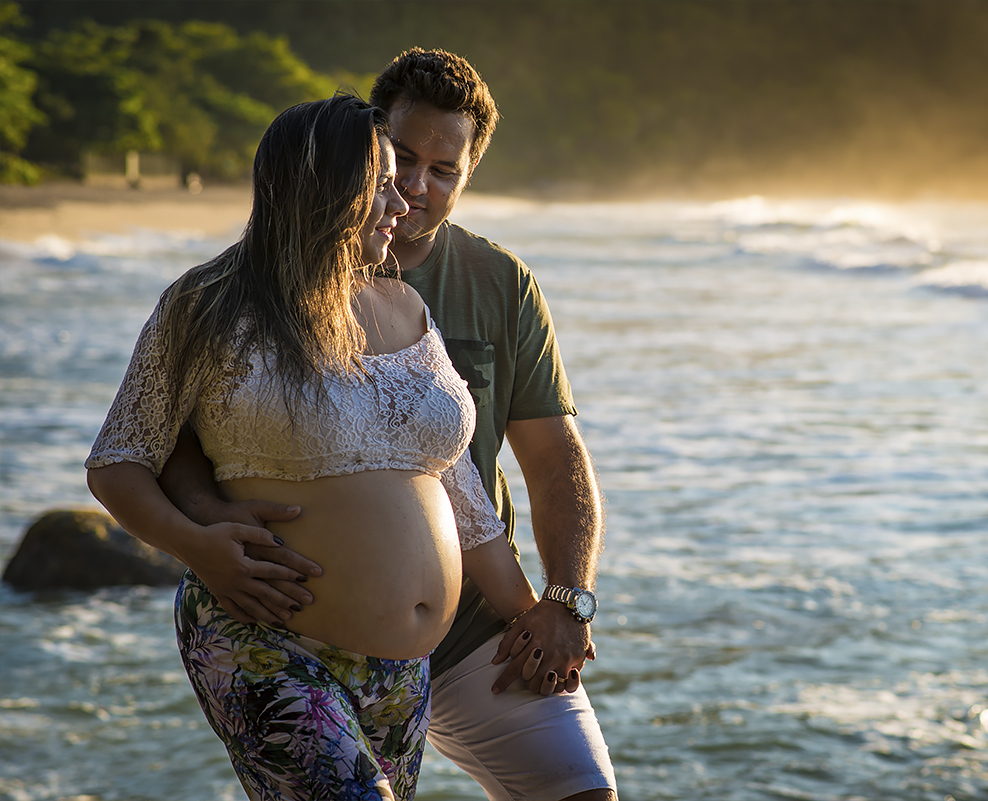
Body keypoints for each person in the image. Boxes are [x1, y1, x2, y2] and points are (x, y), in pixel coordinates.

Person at [160, 49, 618, 801]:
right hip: (300, 619)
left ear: (469, 175)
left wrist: (565, 601)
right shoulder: (253, 288)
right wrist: (212, 527)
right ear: (370, 144)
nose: (416, 186)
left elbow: (547, 457)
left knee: (584, 793)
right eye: (402, 158)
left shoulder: (494, 284)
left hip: (474, 632)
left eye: (445, 170)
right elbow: (162, 440)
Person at [85, 93, 541, 800]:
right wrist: (195, 543)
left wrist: (534, 610)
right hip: (263, 640)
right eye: (383, 182)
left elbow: (459, 493)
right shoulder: (207, 305)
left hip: (400, 671)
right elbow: (120, 459)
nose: (402, 203)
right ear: (327, 189)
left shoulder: (407, 308)